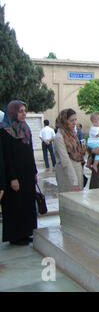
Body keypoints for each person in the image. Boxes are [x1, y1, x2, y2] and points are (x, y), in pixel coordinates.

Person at [0, 100, 38, 246]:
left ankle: (26, 231)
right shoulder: (5, 131)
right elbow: (6, 158)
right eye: (20, 111)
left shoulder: (25, 128)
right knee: (15, 205)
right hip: (15, 176)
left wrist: (34, 171)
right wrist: (12, 178)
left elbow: (30, 152)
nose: (23, 114)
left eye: (24, 111)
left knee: (27, 204)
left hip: (27, 174)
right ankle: (15, 236)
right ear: (12, 112)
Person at [54, 109, 86, 193]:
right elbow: (65, 160)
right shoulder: (59, 137)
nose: (74, 123)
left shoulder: (72, 135)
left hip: (77, 173)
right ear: (64, 121)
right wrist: (74, 182)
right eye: (72, 120)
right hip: (67, 176)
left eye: (75, 120)